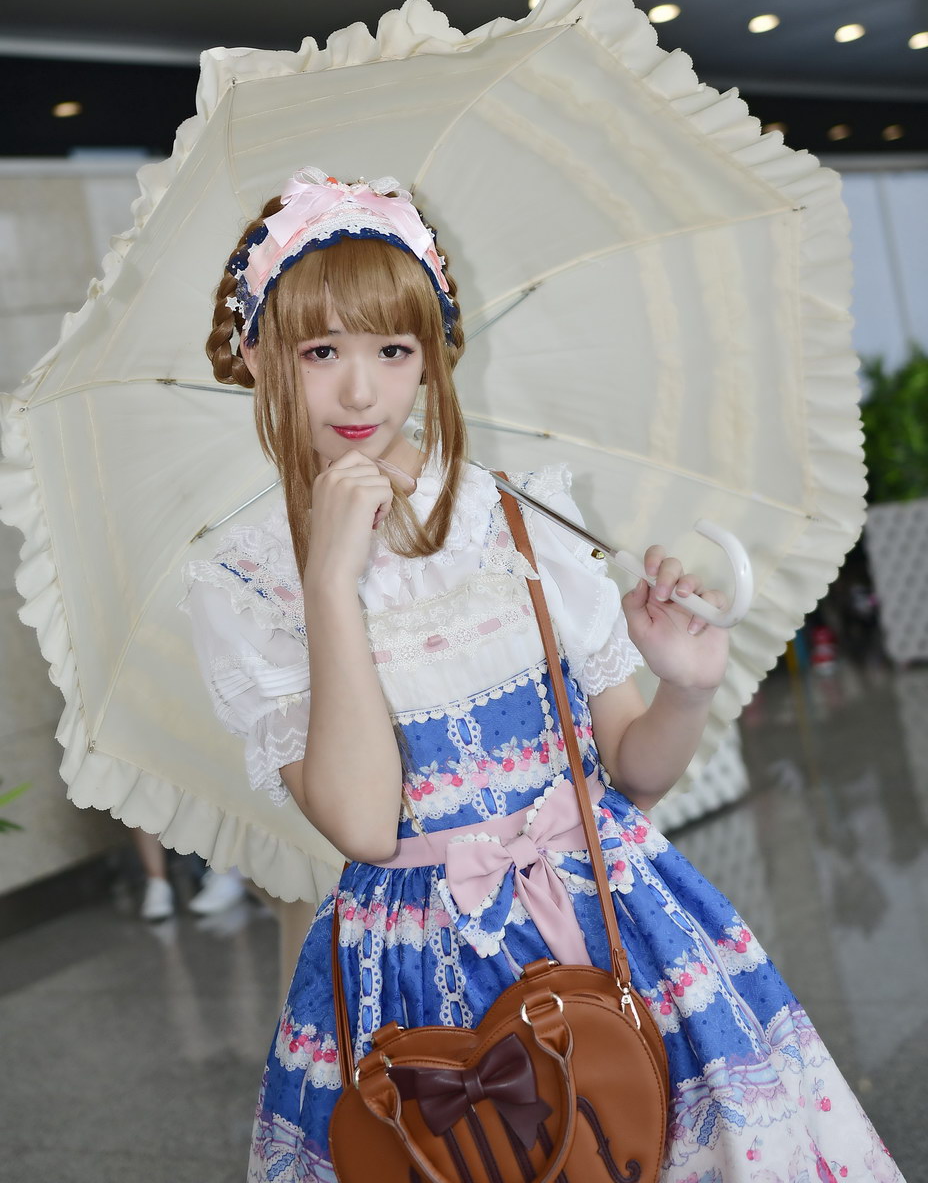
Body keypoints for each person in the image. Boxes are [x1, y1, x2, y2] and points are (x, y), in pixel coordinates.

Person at [182, 167, 901, 1183]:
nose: (361, 391)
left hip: (613, 920)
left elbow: (633, 774)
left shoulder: (521, 518)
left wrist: (686, 686)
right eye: (320, 351)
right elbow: (364, 826)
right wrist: (331, 581)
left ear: (431, 355)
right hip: (417, 970)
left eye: (393, 349)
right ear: (259, 356)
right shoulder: (246, 583)